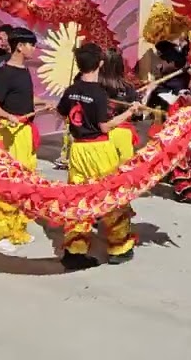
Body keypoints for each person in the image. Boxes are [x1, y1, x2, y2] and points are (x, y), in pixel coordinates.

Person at [58, 43, 143, 270]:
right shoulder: (98, 94)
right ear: (100, 63)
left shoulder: (71, 90)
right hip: (98, 149)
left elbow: (62, 111)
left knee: (79, 199)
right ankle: (119, 247)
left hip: (77, 150)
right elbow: (105, 127)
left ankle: (75, 250)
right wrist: (129, 112)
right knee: (111, 197)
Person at [0, 27, 46, 251]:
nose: (34, 49)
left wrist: (44, 103)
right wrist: (8, 116)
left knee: (23, 181)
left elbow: (24, 97)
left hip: (24, 133)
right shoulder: (6, 71)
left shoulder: (24, 70)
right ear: (20, 46)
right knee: (6, 182)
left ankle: (16, 229)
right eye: (31, 45)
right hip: (8, 134)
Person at [147, 41, 191, 203]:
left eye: (162, 61)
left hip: (175, 124)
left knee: (177, 153)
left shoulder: (176, 82)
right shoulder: (170, 80)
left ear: (171, 62)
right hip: (173, 123)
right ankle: (187, 179)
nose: (158, 65)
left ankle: (185, 189)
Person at [98, 48, 143, 164]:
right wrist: (136, 107)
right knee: (122, 175)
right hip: (122, 134)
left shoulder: (92, 86)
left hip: (97, 136)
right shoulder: (128, 87)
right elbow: (138, 116)